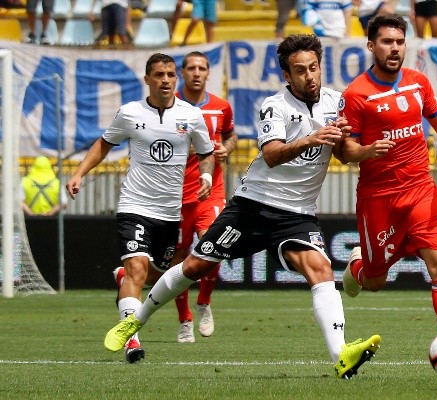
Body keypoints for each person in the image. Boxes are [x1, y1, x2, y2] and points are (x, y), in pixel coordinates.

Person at [104, 34, 381, 379]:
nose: (310, 76)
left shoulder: (336, 103)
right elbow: (271, 154)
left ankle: (341, 356)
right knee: (194, 267)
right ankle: (136, 321)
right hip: (254, 206)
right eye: (300, 70)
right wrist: (311, 138)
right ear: (286, 75)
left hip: (298, 213)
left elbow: (340, 152)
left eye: (314, 68)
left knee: (321, 270)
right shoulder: (274, 106)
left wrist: (363, 150)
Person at [66, 53, 214, 363]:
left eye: (171, 74)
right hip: (134, 205)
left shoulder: (191, 116)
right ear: (147, 79)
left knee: (157, 276)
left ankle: (123, 279)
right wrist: (79, 173)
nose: (166, 80)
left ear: (177, 79)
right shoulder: (130, 113)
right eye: (159, 74)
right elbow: (105, 144)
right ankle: (131, 339)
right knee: (137, 269)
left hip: (169, 213)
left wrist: (206, 173)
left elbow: (206, 152)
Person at [337, 14, 437, 335]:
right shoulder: (356, 95)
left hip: (421, 191)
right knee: (376, 281)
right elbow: (344, 152)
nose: (394, 49)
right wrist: (367, 151)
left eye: (399, 42)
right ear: (371, 46)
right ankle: (357, 266)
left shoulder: (418, 82)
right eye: (386, 42)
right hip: (380, 199)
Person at [173, 51, 238, 343]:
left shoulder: (221, 107)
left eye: (202, 68)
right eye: (191, 68)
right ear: (182, 73)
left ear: (208, 73)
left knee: (215, 248)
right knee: (178, 258)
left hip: (211, 192)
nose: (197, 73)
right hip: (175, 195)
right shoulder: (170, 107)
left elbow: (231, 135)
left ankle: (204, 302)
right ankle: (184, 320)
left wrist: (227, 148)